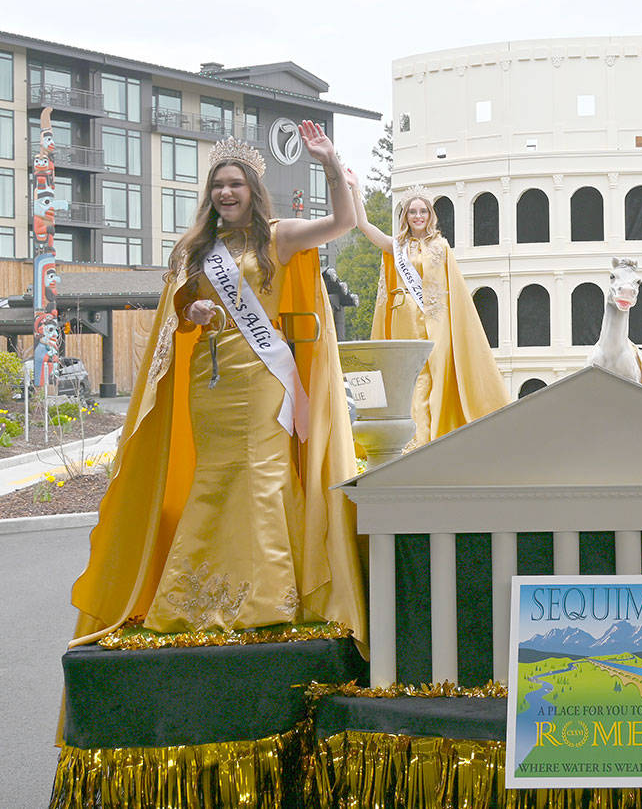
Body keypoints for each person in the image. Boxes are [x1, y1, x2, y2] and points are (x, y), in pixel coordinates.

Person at [70, 123, 366, 648]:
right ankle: (199, 598)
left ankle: (267, 598)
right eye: (218, 185)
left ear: (252, 190)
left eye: (235, 184)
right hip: (210, 385)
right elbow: (176, 313)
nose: (225, 193)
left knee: (260, 476)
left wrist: (327, 161)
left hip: (262, 380)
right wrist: (192, 310)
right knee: (216, 478)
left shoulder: (278, 236)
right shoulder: (195, 248)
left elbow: (343, 222)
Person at [348, 173, 508, 448]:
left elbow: (454, 290)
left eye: (423, 211)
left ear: (430, 215)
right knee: (410, 379)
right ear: (406, 215)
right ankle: (414, 442)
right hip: (403, 322)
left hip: (435, 323)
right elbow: (363, 225)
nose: (418, 216)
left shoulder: (441, 247)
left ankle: (432, 440)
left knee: (436, 377)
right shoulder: (396, 246)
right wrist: (354, 189)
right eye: (412, 211)